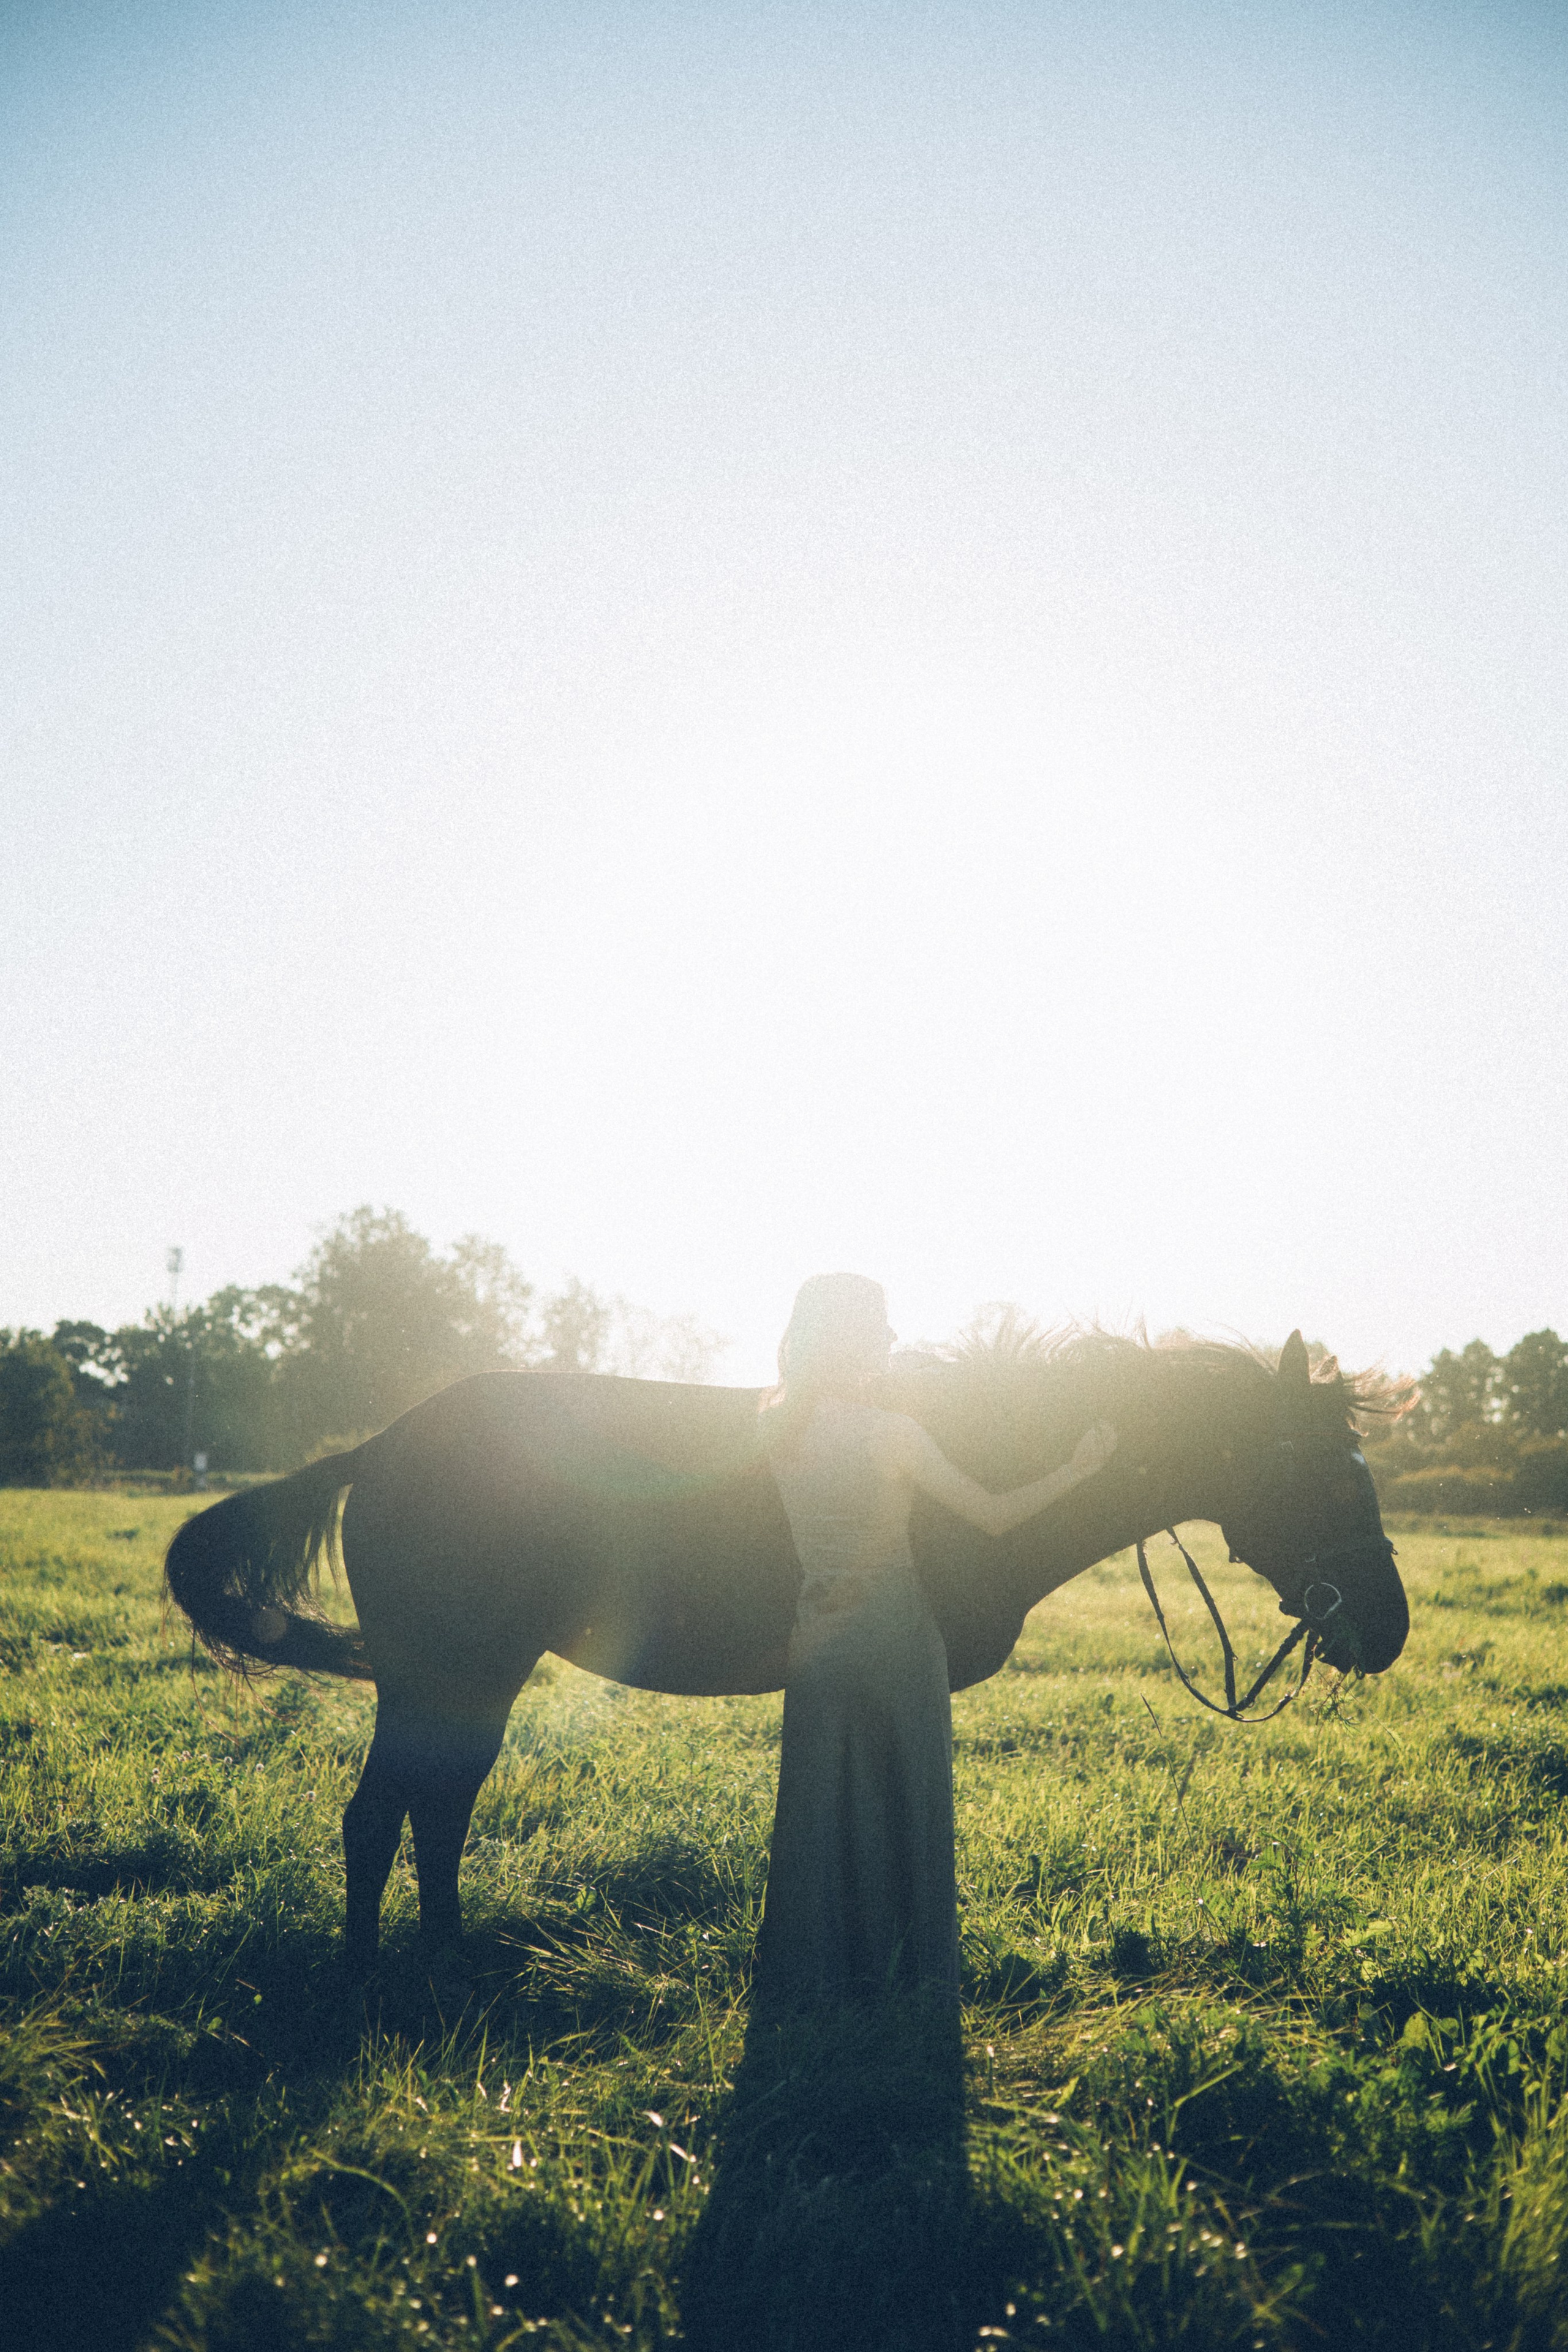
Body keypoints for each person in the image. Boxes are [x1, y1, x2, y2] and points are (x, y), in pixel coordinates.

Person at [756, 1272, 1117, 2005]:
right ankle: (907, 1974)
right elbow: (992, 1514)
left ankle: (809, 1976)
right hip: (894, 1635)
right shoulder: (892, 1435)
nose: (891, 1339)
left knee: (820, 1811)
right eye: (879, 1328)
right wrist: (1077, 1470)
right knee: (907, 1803)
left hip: (817, 1638)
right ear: (852, 1340)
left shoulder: (774, 1425)